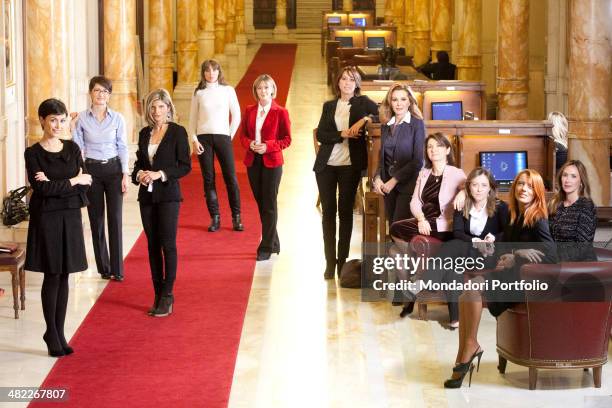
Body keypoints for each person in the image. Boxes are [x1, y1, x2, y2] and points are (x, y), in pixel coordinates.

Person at [444, 169, 554, 388]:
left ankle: (467, 350)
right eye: (521, 184)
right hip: (511, 273)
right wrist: (510, 255)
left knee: (471, 290)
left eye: (530, 186)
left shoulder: (538, 216)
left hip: (526, 282)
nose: (524, 189)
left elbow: (551, 255)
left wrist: (520, 255)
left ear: (538, 191)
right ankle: (467, 348)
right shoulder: (516, 213)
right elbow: (512, 247)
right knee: (468, 290)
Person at [25, 98, 92, 356]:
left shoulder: (73, 148)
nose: (58, 125)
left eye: (62, 120)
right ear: (42, 120)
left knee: (65, 274)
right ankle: (51, 332)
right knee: (52, 274)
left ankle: (60, 331)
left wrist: (60, 184)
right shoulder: (33, 153)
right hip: (47, 220)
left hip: (70, 217)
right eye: (53, 119)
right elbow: (41, 188)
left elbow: (86, 182)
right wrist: (72, 181)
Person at [314, 66, 379, 279]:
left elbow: (381, 113)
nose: (347, 83)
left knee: (345, 214)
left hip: (350, 166)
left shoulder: (363, 102)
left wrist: (365, 120)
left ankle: (342, 262)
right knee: (328, 214)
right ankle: (329, 262)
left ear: (357, 83)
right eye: (343, 79)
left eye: (352, 80)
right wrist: (341, 134)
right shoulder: (329, 105)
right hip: (326, 166)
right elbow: (322, 134)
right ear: (338, 82)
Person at [132, 89, 191, 317]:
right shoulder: (144, 133)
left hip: (168, 195)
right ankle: (157, 293)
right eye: (153, 107)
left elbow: (185, 166)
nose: (157, 111)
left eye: (161, 107)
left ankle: (167, 295)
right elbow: (138, 163)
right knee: (152, 245)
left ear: (169, 108)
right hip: (146, 197)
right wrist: (140, 175)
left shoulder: (177, 132)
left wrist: (160, 174)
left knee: (168, 244)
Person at [71, 76, 128, 281]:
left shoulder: (118, 118)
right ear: (90, 93)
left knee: (115, 219)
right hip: (92, 171)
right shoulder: (82, 119)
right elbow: (77, 147)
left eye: (105, 91)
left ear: (109, 95)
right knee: (96, 220)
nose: (101, 95)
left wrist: (125, 174)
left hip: (113, 170)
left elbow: (122, 146)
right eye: (97, 90)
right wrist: (72, 124)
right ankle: (104, 267)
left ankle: (118, 269)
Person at [239, 74, 291, 261]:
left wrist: (268, 146)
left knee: (269, 203)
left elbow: (287, 139)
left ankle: (266, 246)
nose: (263, 91)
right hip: (253, 162)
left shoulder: (280, 112)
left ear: (272, 90)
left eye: (266, 88)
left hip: (272, 162)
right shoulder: (250, 110)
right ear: (256, 91)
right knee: (262, 203)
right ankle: (274, 241)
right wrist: (250, 143)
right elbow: (243, 136)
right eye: (259, 88)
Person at [189, 60, 243, 232]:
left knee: (231, 178)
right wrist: (194, 139)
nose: (211, 73)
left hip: (223, 137)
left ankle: (236, 217)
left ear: (219, 72)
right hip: (203, 139)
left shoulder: (228, 90)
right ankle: (215, 217)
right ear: (203, 73)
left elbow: (237, 115)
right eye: (207, 70)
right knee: (208, 179)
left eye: (214, 70)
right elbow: (192, 119)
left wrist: (229, 135)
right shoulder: (199, 93)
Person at [390, 133, 466, 244]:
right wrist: (421, 220)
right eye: (430, 147)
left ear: (448, 150)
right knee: (394, 228)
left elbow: (472, 188)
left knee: (397, 228)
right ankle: (415, 257)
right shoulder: (423, 174)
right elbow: (414, 202)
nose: (433, 149)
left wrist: (463, 192)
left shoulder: (456, 173)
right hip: (425, 222)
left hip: (444, 225)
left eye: (438, 146)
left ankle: (415, 257)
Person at [372, 83, 425, 224]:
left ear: (410, 102)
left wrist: (394, 180)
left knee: (398, 227)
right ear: (390, 102)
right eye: (395, 100)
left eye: (403, 99)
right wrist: (377, 177)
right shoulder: (386, 124)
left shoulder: (417, 123)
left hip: (407, 185)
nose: (399, 104)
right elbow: (382, 156)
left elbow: (418, 161)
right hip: (386, 185)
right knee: (392, 226)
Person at [548, 160, 596, 260]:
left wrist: (554, 258)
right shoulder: (555, 204)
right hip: (556, 262)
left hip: (579, 266)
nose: (567, 180)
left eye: (573, 176)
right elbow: (548, 238)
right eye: (565, 175)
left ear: (581, 181)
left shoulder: (586, 206)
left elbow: (582, 247)